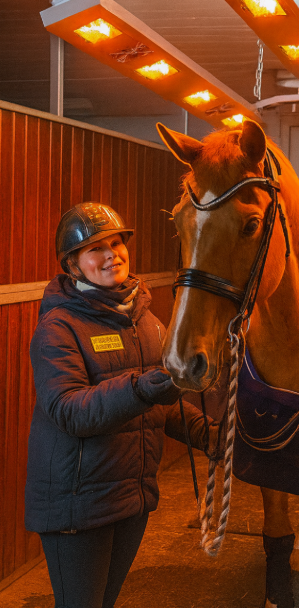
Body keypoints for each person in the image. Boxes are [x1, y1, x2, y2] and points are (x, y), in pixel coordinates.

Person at [25, 202, 213, 608]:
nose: (112, 254)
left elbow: (161, 403)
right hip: (78, 504)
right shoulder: (58, 327)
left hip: (130, 497)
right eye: (96, 249)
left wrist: (212, 437)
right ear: (73, 265)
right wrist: (143, 387)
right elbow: (69, 410)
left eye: (116, 243)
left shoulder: (145, 320)